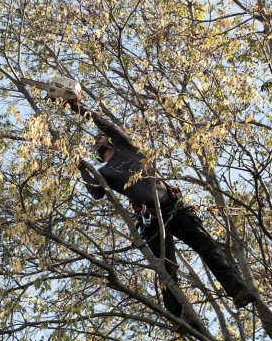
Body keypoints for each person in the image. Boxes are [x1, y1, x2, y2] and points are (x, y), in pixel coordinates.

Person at [69, 98, 257, 319]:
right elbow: (97, 193)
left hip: (174, 208)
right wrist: (82, 168)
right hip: (151, 219)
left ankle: (238, 290)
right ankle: (180, 316)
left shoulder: (128, 149)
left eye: (99, 136)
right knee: (167, 267)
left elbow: (105, 124)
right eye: (95, 140)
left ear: (109, 140)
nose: (97, 138)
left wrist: (78, 107)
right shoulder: (105, 172)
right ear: (97, 151)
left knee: (208, 247)